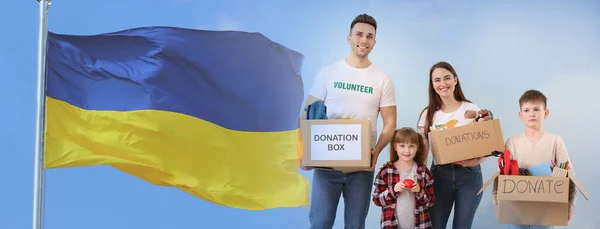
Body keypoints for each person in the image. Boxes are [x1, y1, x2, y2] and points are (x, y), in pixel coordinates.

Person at [300, 13, 397, 229]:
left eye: (369, 36)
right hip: (327, 166)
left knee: (355, 224)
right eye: (359, 34)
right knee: (321, 223)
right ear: (349, 38)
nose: (364, 40)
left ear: (374, 42)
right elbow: (307, 113)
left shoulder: (382, 79)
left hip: (361, 167)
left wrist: (377, 151)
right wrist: (305, 152)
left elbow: (390, 123)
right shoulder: (329, 73)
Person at [416, 61, 493, 229]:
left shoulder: (471, 109)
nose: (442, 84)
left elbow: (486, 147)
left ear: (455, 80)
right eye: (437, 80)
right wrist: (418, 177)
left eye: (447, 78)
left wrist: (474, 162)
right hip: (439, 175)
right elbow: (423, 152)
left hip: (469, 176)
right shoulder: (428, 114)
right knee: (435, 225)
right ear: (432, 84)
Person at [492, 89, 577, 229]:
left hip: (545, 209)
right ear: (520, 115)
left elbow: (570, 175)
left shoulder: (555, 140)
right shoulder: (512, 142)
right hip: (516, 208)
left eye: (536, 109)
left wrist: (570, 202)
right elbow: (499, 177)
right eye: (526, 110)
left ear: (546, 113)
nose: (531, 113)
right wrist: (496, 202)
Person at [372, 127, 435, 229]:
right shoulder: (385, 172)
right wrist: (393, 190)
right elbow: (377, 200)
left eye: (411, 146)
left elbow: (431, 202)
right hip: (392, 225)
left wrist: (420, 191)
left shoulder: (424, 173)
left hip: (421, 224)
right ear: (395, 147)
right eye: (402, 146)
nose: (407, 150)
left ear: (417, 147)